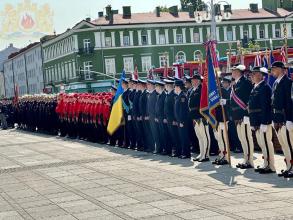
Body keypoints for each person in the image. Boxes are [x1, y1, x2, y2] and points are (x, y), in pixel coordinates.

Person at [248, 67, 276, 174]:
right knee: (262, 143)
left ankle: (270, 166)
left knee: (266, 143)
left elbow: (265, 106)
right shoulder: (255, 87)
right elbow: (252, 106)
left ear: (260, 75)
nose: (252, 76)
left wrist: (265, 122)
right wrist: (253, 122)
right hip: (257, 120)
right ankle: (266, 164)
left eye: (254, 74)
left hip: (263, 121)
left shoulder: (264, 87)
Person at [270, 61, 293, 178]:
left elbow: (289, 103)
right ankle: (289, 167)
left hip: (285, 118)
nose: (272, 71)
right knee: (284, 145)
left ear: (280, 69)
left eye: (274, 68)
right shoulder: (275, 83)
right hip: (277, 118)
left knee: (290, 144)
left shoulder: (287, 82)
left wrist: (290, 119)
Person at [230, 64, 254, 169]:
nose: (232, 73)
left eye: (234, 71)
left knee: (246, 138)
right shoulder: (236, 84)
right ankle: (245, 159)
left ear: (239, 72)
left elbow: (249, 99)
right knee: (242, 138)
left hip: (244, 115)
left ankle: (250, 161)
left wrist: (246, 114)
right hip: (237, 116)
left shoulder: (246, 83)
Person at [191, 74, 210, 162]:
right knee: (199, 136)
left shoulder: (202, 89)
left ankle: (205, 155)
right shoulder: (193, 90)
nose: (192, 81)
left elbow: (204, 103)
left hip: (201, 116)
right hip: (195, 117)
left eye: (194, 80)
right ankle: (201, 153)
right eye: (192, 80)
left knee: (204, 136)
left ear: (198, 81)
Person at [174, 80, 190, 159]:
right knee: (181, 137)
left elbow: (184, 111)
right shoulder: (179, 96)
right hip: (179, 121)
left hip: (182, 121)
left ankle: (186, 153)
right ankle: (183, 152)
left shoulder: (182, 96)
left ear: (178, 87)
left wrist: (182, 121)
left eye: (175, 87)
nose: (174, 88)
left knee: (184, 137)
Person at [164, 79, 177, 156]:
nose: (165, 86)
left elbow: (174, 108)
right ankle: (170, 150)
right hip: (168, 118)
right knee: (169, 135)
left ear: (169, 86)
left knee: (174, 135)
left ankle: (175, 150)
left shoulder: (173, 95)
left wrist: (175, 119)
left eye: (166, 85)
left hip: (172, 119)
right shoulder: (168, 94)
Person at [154, 80, 167, 154]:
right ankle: (161, 148)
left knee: (164, 134)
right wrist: (156, 116)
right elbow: (157, 107)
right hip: (159, 118)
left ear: (160, 87)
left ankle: (165, 149)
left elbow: (165, 108)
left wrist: (164, 117)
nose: (155, 88)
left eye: (156, 87)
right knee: (160, 134)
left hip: (162, 118)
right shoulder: (159, 95)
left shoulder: (164, 95)